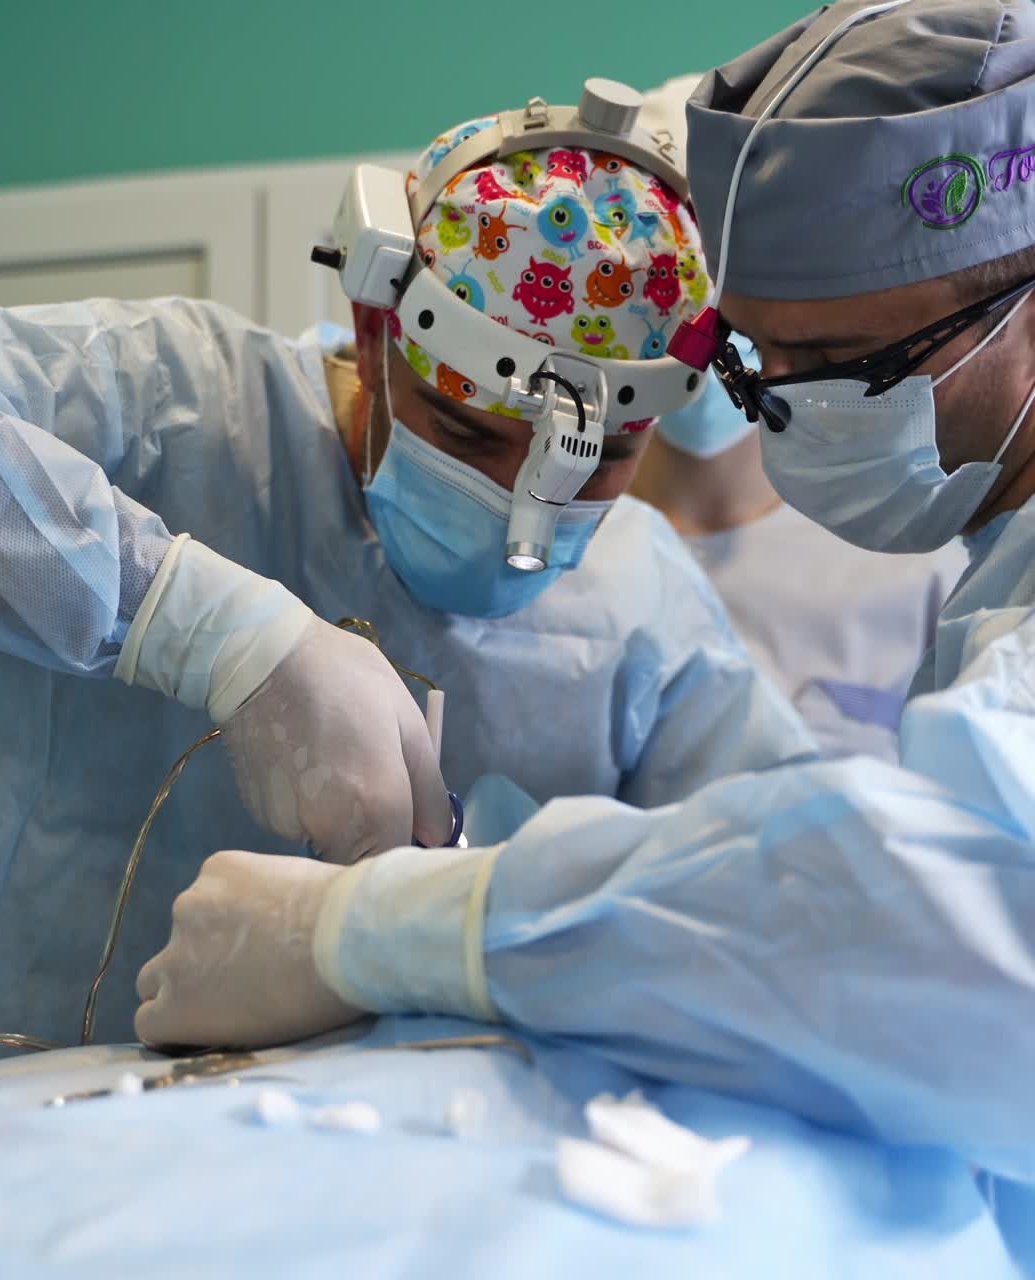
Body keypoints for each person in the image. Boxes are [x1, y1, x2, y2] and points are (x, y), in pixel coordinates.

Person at [0, 101, 815, 1211]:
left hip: (373, 1213)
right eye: (467, 435)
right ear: (373, 329)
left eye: (595, 467)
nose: (523, 511)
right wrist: (198, 621)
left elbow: (779, 888)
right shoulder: (171, 408)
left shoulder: (644, 604)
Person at [132, 2, 1035, 1269]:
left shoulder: (648, 593)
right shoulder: (998, 570)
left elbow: (956, 939)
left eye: (845, 365)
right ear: (375, 329)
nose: (790, 422)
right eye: (761, 369)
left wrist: (383, 925)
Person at [629, 77, 967, 762]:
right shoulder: (574, 560)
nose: (706, 312)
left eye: (731, 275)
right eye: (673, 278)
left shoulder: (909, 541)